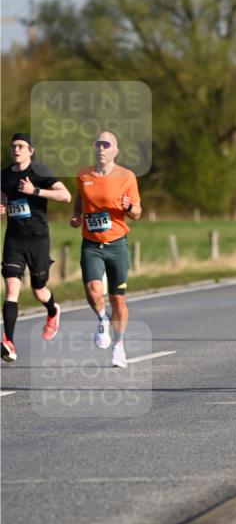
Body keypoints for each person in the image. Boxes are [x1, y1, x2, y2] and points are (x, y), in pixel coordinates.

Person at [70, 131, 142, 369]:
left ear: (115, 150)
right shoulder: (83, 174)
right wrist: (77, 214)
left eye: (106, 144)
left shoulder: (127, 176)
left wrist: (129, 206)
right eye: (98, 143)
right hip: (91, 243)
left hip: (117, 244)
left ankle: (119, 346)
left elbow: (138, 212)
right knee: (93, 291)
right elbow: (80, 197)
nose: (101, 148)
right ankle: (102, 320)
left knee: (118, 300)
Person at [1, 132, 71, 362]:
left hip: (38, 239)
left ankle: (53, 310)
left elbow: (66, 195)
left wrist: (36, 191)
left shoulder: (39, 173)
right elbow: (2, 199)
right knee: (11, 289)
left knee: (39, 290)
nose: (16, 149)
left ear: (31, 150)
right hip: (14, 239)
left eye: (21, 146)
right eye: (13, 146)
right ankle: (8, 342)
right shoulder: (4, 176)